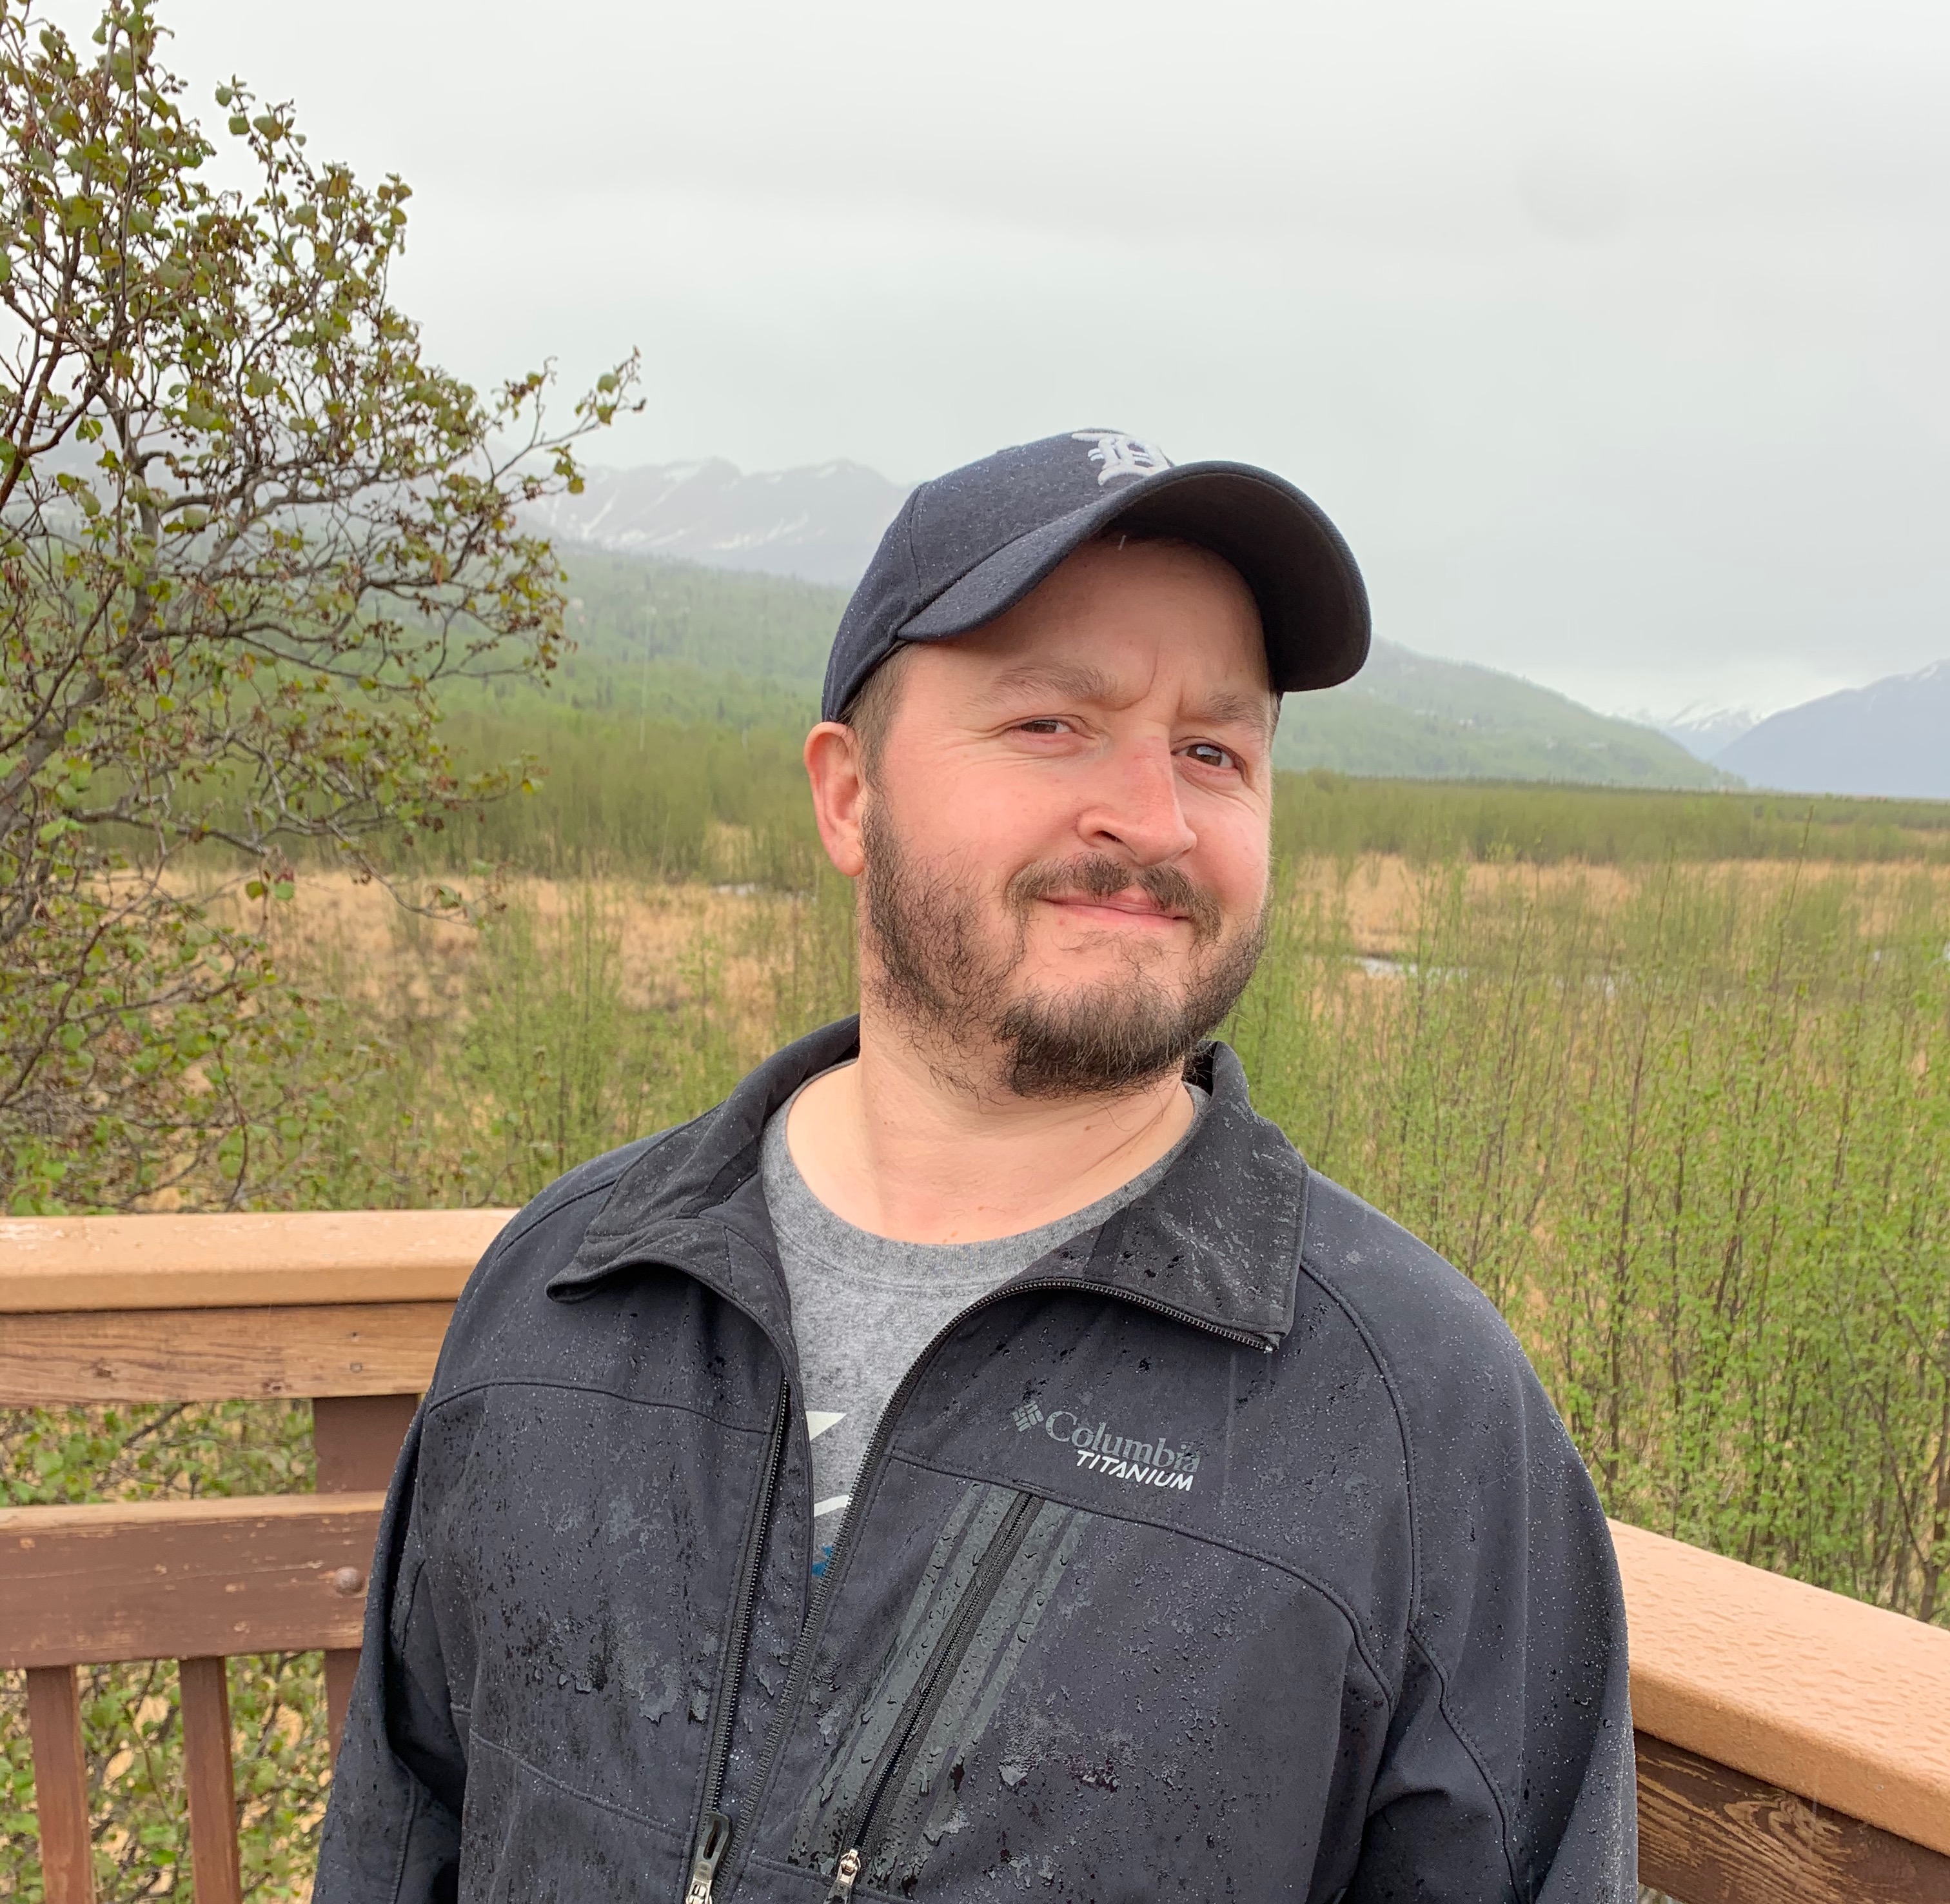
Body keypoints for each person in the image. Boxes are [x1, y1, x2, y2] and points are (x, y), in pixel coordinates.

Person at [316, 430, 1635, 1903]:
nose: (1154, 818)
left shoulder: (1420, 1419)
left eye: (1215, 749)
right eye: (1052, 726)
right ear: (848, 797)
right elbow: (401, 1835)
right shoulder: (561, 1296)